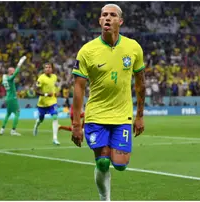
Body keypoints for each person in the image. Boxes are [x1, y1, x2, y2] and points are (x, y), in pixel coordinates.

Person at [71, 4, 146, 201]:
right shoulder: (87, 51)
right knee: (103, 163)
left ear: (120, 21)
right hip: (96, 114)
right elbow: (78, 88)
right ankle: (105, 199)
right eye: (104, 15)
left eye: (112, 15)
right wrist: (76, 124)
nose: (107, 18)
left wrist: (140, 116)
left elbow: (140, 84)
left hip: (122, 115)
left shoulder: (133, 48)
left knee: (120, 164)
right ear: (99, 21)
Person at [33, 63, 60, 145]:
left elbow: (54, 87)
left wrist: (57, 92)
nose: (48, 69)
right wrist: (46, 94)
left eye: (49, 67)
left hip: (52, 102)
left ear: (52, 69)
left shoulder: (54, 77)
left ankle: (55, 138)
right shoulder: (41, 78)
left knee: (55, 117)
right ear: (44, 69)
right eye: (46, 67)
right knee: (41, 119)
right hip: (42, 103)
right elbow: (36, 91)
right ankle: (36, 125)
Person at [0, 56, 27, 136]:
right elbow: (16, 72)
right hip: (12, 98)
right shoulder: (10, 79)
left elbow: (5, 82)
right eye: (12, 70)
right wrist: (20, 63)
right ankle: (13, 130)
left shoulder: (5, 78)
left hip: (7, 97)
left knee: (8, 114)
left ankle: (2, 129)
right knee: (17, 113)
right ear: (10, 72)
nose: (14, 71)